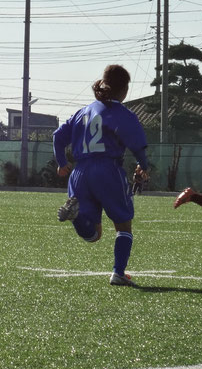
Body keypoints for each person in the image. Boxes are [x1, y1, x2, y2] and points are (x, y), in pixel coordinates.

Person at [53, 64, 149, 287]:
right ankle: (118, 272)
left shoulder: (83, 112)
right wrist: (143, 166)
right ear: (124, 90)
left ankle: (76, 216)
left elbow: (58, 136)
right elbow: (138, 146)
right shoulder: (123, 114)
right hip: (107, 169)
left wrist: (61, 162)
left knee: (93, 234)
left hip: (79, 172)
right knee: (123, 225)